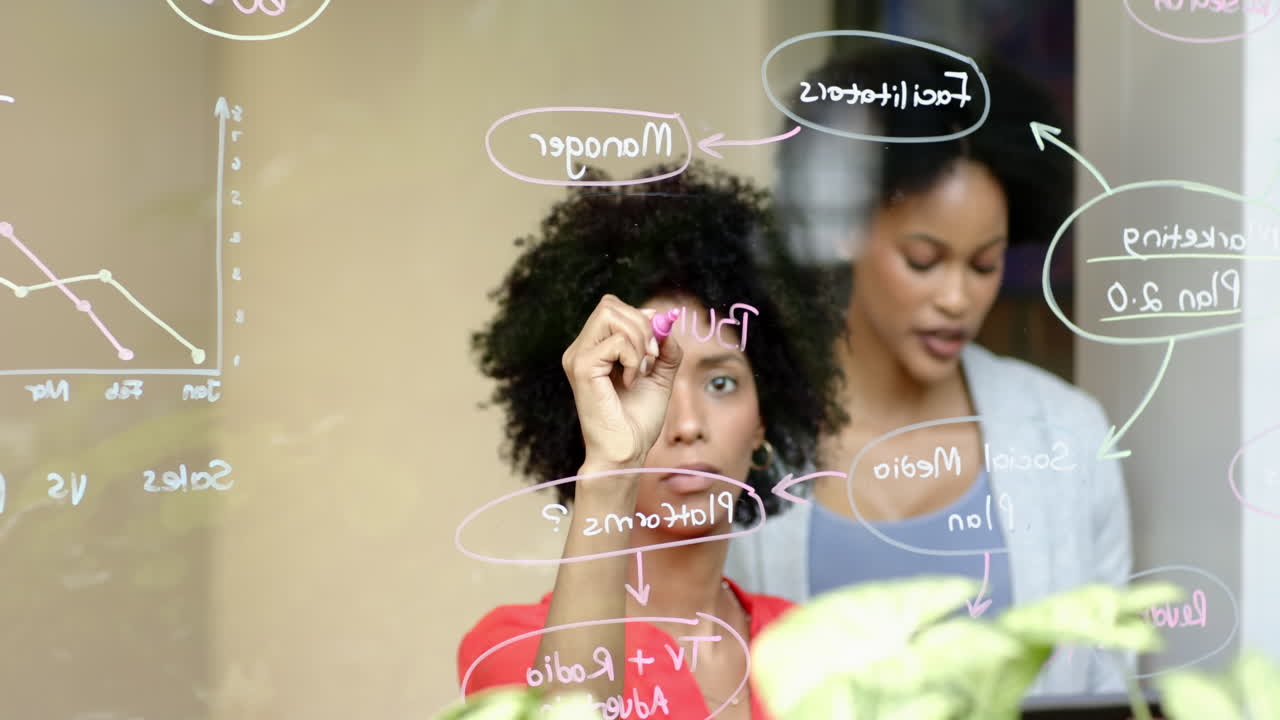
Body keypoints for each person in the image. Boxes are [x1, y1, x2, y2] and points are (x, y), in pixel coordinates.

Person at [725, 46, 1134, 697]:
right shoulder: (742, 432)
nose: (957, 298)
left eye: (984, 265)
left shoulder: (1065, 435)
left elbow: (1109, 683)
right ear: (842, 230)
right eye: (924, 259)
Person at [459, 163, 844, 719]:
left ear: (765, 416)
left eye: (721, 382)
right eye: (644, 383)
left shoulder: (818, 651)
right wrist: (611, 465)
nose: (687, 423)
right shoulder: (512, 650)